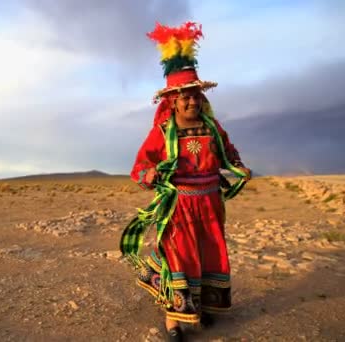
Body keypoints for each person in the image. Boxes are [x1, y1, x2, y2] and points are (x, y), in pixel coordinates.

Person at [119, 22, 251, 342]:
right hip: (178, 206)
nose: (192, 102)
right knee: (180, 259)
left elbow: (228, 152)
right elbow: (139, 166)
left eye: (196, 96)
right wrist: (149, 175)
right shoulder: (163, 132)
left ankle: (199, 308)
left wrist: (239, 167)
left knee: (206, 257)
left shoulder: (211, 126)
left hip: (209, 204)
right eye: (186, 97)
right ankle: (173, 321)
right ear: (173, 100)